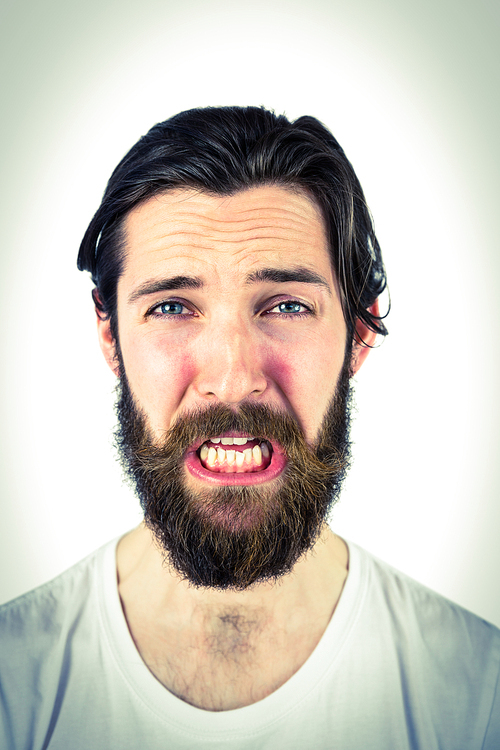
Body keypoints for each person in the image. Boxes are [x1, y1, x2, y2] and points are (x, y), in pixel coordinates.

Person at [0, 106, 498, 750]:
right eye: (172, 307)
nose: (233, 378)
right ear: (110, 339)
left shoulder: (478, 700)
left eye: (287, 304)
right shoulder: (13, 693)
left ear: (361, 333)